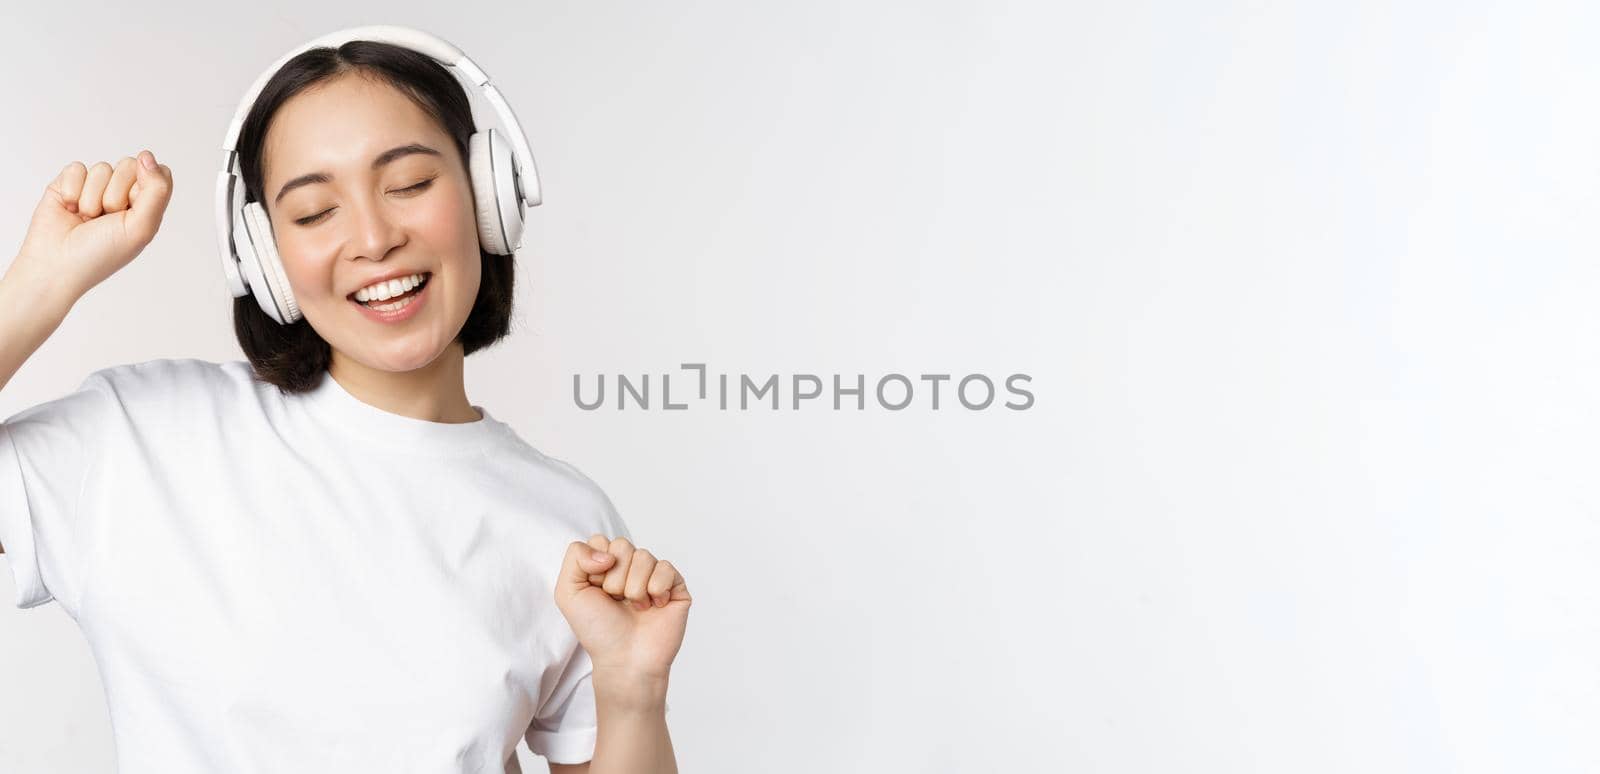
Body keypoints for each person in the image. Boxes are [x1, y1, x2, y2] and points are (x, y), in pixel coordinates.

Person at [0, 36, 688, 774]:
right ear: (264, 257)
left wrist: (633, 690)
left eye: (410, 184)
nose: (373, 238)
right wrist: (41, 284)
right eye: (315, 210)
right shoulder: (140, 437)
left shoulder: (567, 524)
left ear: (488, 194)